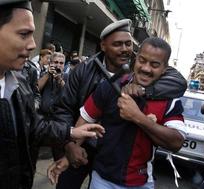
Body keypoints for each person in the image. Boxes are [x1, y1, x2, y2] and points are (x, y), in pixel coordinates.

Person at [48, 19, 188, 189]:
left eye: (128, 44)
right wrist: (68, 147)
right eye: (118, 44)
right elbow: (68, 111)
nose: (125, 49)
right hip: (86, 151)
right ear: (103, 46)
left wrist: (142, 97)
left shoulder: (156, 82)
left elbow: (179, 82)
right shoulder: (84, 71)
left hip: (133, 174)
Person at [0, 1, 107, 188]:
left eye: (32, 34)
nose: (33, 44)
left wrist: (71, 131)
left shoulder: (20, 82)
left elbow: (33, 127)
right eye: (24, 34)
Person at [39, 52, 68, 118]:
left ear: (64, 65)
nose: (58, 65)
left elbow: (68, 93)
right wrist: (48, 74)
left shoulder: (67, 77)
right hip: (42, 115)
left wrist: (59, 79)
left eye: (61, 63)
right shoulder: (44, 74)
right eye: (56, 62)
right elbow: (37, 88)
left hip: (58, 116)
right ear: (50, 63)